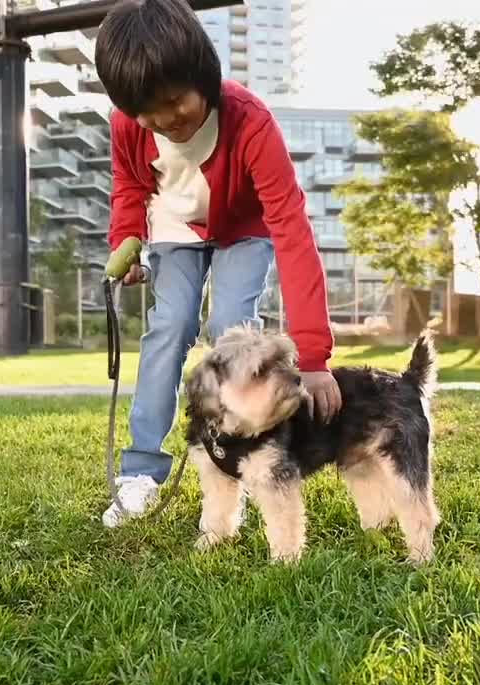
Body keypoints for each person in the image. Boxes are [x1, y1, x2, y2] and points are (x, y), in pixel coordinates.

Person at [95, 0, 342, 527]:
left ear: (202, 74)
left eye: (174, 101)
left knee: (230, 330)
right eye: (146, 110)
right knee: (170, 327)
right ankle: (141, 470)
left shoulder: (251, 123)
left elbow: (292, 231)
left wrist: (315, 357)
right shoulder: (126, 124)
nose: (164, 119)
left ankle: (240, 456)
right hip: (174, 229)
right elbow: (130, 185)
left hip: (243, 229)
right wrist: (128, 238)